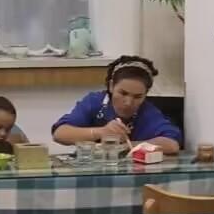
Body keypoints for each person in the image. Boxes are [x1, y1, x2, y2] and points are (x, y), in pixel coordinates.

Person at [52, 55, 182, 152]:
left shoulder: (147, 111)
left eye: (137, 96)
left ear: (146, 94)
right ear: (111, 86)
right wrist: (101, 132)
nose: (128, 103)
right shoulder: (94, 102)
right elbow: (60, 134)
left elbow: (171, 144)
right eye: (123, 93)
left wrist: (125, 147)